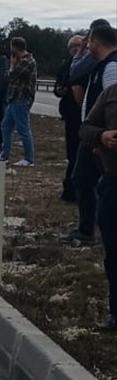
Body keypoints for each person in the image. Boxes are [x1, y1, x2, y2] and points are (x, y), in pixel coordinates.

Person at [63, 23, 117, 246]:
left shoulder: (112, 67)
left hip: (103, 139)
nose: (87, 44)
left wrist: (101, 138)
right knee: (84, 179)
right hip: (95, 135)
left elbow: (113, 107)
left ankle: (92, 229)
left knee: (91, 181)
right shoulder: (100, 64)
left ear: (96, 41)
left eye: (89, 40)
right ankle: (90, 227)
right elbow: (74, 74)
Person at [79, 82, 117, 331]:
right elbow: (85, 128)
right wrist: (101, 136)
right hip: (113, 185)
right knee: (113, 252)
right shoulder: (112, 93)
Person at [0, 36, 37, 167]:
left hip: (21, 98)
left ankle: (29, 159)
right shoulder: (21, 60)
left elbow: (11, 75)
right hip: (13, 98)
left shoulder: (27, 61)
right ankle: (4, 154)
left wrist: (12, 65)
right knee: (5, 126)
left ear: (14, 47)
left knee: (23, 129)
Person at [56, 34, 88, 202]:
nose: (76, 48)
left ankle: (74, 189)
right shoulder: (65, 65)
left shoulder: (89, 63)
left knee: (80, 153)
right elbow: (58, 87)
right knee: (73, 152)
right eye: (73, 46)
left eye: (79, 45)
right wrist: (62, 90)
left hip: (82, 113)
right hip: (70, 113)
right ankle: (70, 190)